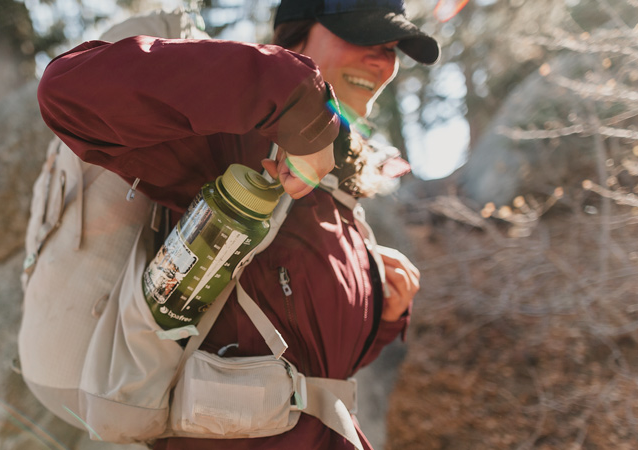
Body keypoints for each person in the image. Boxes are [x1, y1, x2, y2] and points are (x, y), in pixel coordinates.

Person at [36, 0, 436, 448]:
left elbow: (316, 367)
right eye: (362, 34)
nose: (382, 59)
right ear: (296, 32)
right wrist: (293, 93)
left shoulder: (338, 184)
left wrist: (384, 311)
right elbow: (68, 88)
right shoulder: (229, 138)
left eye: (392, 46)